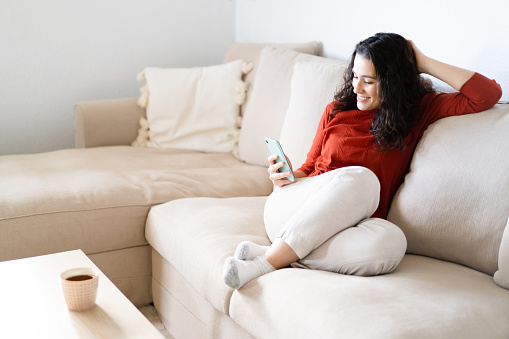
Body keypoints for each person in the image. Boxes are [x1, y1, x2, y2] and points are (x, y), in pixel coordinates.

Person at [222, 32, 502, 289]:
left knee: (392, 243)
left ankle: (277, 251)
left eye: (368, 81)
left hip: (347, 228)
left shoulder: (419, 110)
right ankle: (263, 265)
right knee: (362, 179)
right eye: (355, 76)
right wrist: (286, 176)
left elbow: (487, 95)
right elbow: (309, 169)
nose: (357, 87)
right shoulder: (336, 110)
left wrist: (424, 62)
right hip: (292, 210)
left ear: (394, 82)